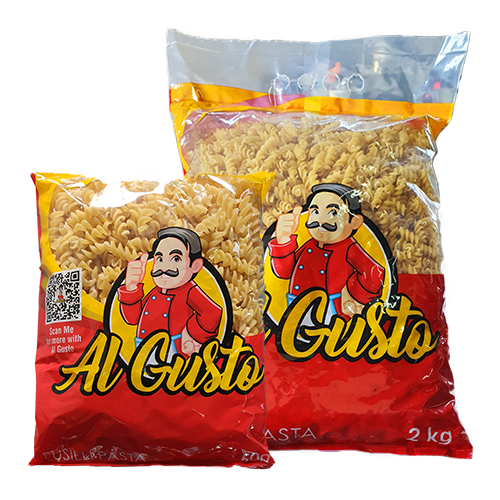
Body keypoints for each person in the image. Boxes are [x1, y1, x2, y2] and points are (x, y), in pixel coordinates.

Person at [268, 183, 385, 322]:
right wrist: (283, 240)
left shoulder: (349, 247)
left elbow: (374, 272)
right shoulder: (310, 245)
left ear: (355, 221)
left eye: (333, 213)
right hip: (297, 304)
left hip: (332, 310)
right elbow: (285, 272)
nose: (321, 221)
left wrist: (353, 294)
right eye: (315, 212)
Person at [117, 227, 222, 359]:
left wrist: (192, 334)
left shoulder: (189, 291)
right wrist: (132, 288)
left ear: (195, 266)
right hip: (144, 347)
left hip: (174, 351)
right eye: (160, 259)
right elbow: (133, 319)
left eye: (176, 259)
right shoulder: (155, 291)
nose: (164, 268)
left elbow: (212, 312)